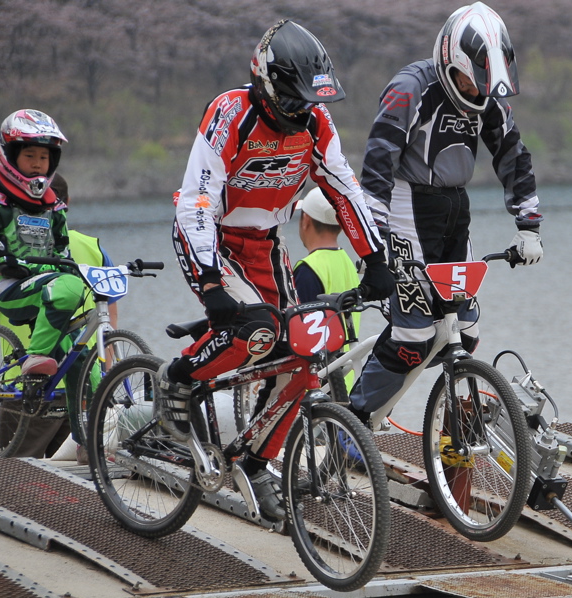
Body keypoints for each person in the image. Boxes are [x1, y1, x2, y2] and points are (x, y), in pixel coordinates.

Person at [160, 20, 394, 520]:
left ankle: (258, 460)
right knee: (254, 330)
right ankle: (178, 378)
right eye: (292, 101)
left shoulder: (316, 122)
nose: (301, 111)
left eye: (308, 102)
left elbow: (344, 188)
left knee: (304, 349)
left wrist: (374, 259)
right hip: (210, 236)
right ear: (265, 85)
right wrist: (208, 280)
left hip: (264, 242)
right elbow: (197, 200)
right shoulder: (230, 112)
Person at [348, 2, 544, 424]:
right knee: (414, 336)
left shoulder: (486, 93)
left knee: (464, 330)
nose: (475, 94)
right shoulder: (411, 88)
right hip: (405, 203)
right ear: (449, 61)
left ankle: (445, 416)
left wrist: (528, 225)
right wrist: (372, 244)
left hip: (455, 205)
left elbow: (513, 155)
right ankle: (356, 419)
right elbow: (378, 163)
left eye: (482, 87)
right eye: (468, 83)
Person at [0, 173, 118, 459]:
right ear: (67, 203)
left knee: (15, 478)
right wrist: (107, 376)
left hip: (23, 385)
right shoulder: (94, 248)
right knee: (80, 478)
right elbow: (110, 323)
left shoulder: (10, 249)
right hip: (82, 385)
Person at [0, 109, 86, 456]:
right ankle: (36, 357)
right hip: (11, 289)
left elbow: (64, 249)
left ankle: (90, 433)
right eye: (30, 156)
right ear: (10, 156)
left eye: (44, 156)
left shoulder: (54, 207)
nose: (38, 164)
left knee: (81, 362)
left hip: (47, 287)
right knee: (66, 286)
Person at [294, 186, 362, 389]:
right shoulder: (347, 262)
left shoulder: (308, 268)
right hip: (347, 378)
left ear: (306, 220)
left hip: (322, 383)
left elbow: (305, 332)